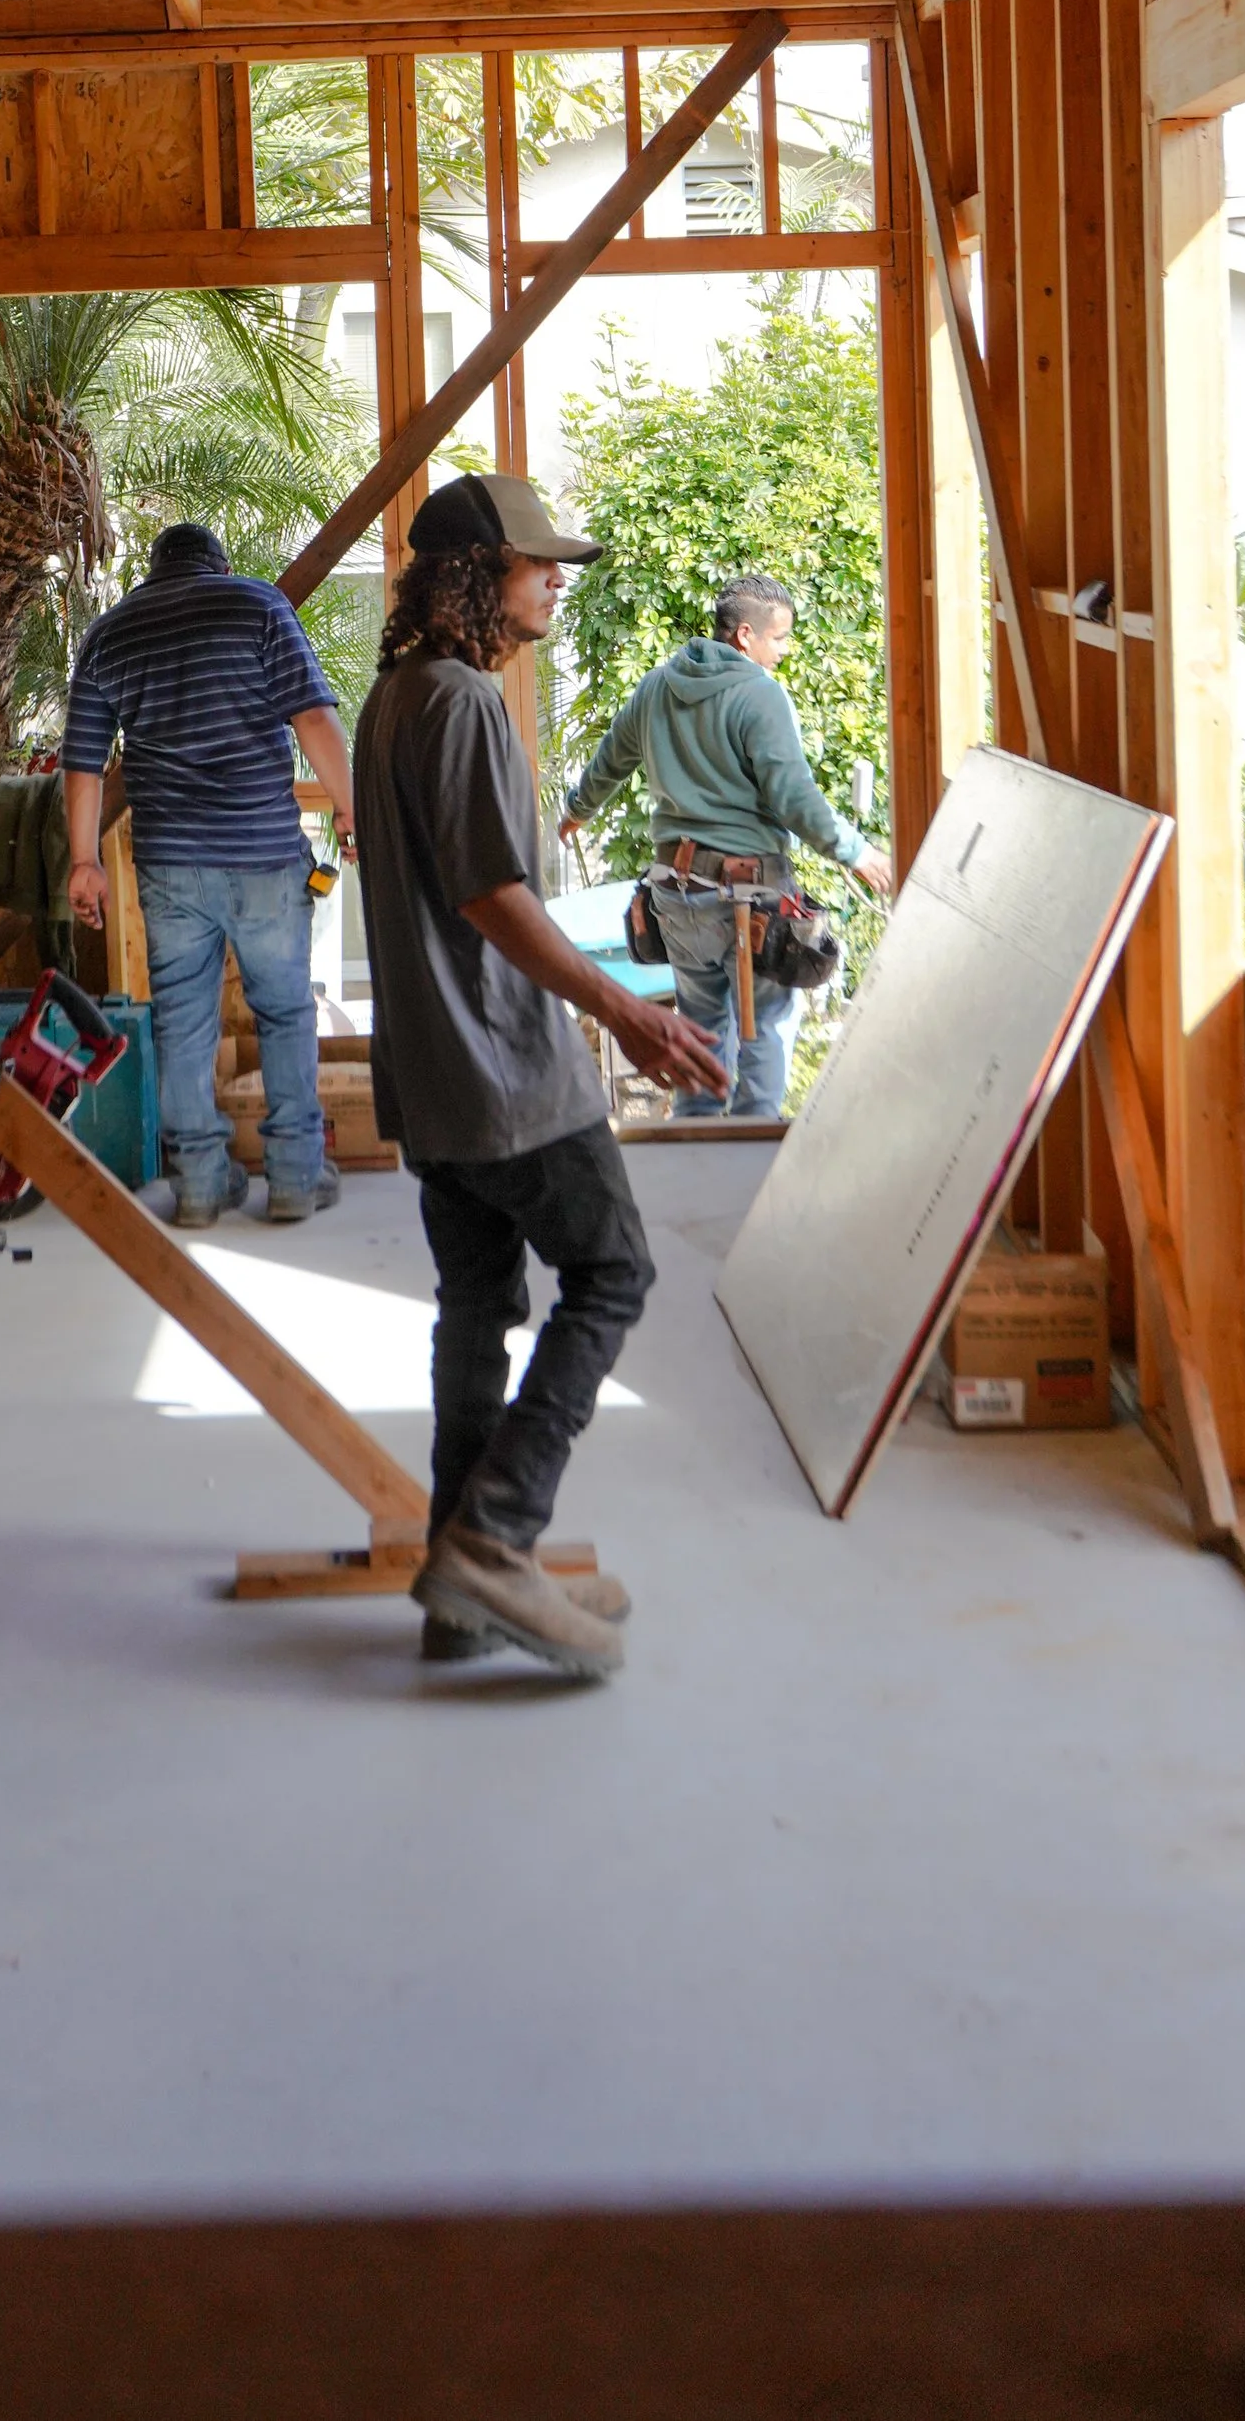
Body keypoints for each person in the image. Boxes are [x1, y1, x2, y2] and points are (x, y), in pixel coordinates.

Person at [352, 475, 728, 1682]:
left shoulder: (393, 698)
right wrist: (626, 1008)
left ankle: (457, 1590)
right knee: (612, 1271)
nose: (554, 579)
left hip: (433, 1078)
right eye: (537, 563)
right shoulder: (460, 703)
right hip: (503, 1070)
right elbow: (492, 898)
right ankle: (499, 1538)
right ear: (478, 574)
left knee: (477, 1309)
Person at [63, 523, 353, 1230]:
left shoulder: (109, 634)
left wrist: (84, 860)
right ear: (219, 564)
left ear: (156, 570)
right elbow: (312, 715)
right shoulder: (256, 605)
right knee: (285, 1011)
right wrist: (351, 806)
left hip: (171, 865)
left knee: (185, 1026)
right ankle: (293, 1176)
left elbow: (82, 764)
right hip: (263, 854)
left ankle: (197, 1183)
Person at [560, 572, 892, 1124]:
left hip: (677, 894)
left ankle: (695, 1165)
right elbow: (793, 797)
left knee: (701, 1033)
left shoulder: (656, 686)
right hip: (749, 899)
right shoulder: (759, 695)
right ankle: (750, 1173)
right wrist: (856, 852)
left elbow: (609, 762)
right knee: (764, 1035)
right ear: (745, 635)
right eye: (779, 638)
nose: (784, 651)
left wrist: (577, 810)